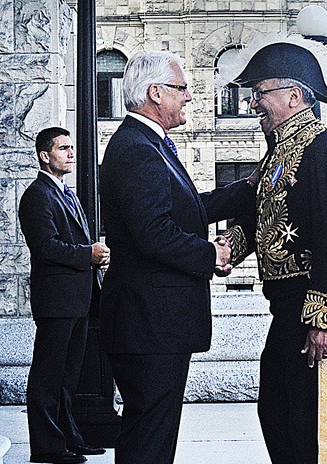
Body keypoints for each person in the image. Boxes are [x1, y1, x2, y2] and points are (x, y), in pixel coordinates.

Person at [98, 50, 255, 464]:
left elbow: (188, 208)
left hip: (152, 323)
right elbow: (155, 233)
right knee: (149, 440)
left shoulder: (150, 143)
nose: (189, 97)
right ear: (155, 93)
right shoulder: (137, 148)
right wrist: (211, 254)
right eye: (181, 89)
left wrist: (248, 187)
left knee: (151, 435)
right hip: (149, 323)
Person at [220, 41, 327, 463]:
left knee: (312, 432)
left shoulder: (325, 149)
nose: (252, 103)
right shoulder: (277, 154)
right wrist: (230, 246)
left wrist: (326, 323)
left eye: (259, 93)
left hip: (315, 312)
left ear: (294, 95)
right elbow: (261, 216)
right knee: (277, 416)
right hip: (285, 309)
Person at [18, 127, 109, 464]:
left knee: (68, 377)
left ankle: (69, 437)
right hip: (56, 300)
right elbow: (44, 247)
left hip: (77, 297)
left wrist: (95, 256)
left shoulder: (65, 193)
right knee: (48, 376)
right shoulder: (37, 195)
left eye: (72, 147)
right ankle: (47, 447)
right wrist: (89, 254)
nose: (71, 154)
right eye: (63, 149)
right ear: (45, 155)